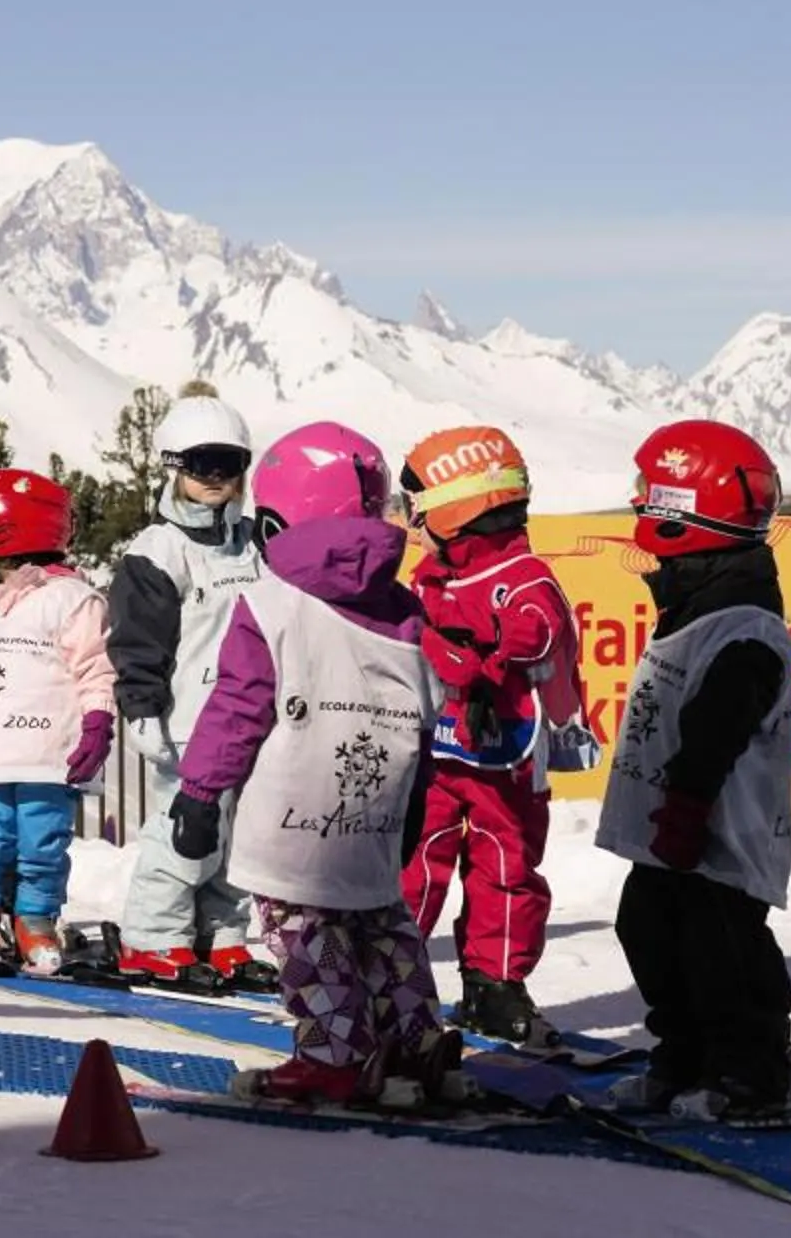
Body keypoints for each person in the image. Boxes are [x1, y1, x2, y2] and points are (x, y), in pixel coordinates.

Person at [172, 423, 461, 1106]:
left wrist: (200, 792)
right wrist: (417, 796)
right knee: (382, 923)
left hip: (293, 816)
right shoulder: (405, 611)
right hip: (377, 810)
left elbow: (239, 708)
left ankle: (333, 1053)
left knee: (308, 933)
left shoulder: (270, 605)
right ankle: (417, 1040)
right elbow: (425, 708)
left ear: (277, 520)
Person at [601, 419, 791, 1122]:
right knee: (648, 929)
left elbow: (719, 726)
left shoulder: (743, 626)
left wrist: (685, 808)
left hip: (715, 832)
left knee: (724, 952)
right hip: (670, 832)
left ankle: (752, 1072)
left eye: (647, 494)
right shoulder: (697, 602)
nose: (635, 503)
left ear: (682, 510)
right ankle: (682, 1057)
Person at [396, 423, 581, 1048]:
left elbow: (539, 629)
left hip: (506, 754)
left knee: (506, 863)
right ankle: (391, 971)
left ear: (456, 509)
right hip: (442, 746)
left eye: (417, 507)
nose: (410, 523)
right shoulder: (432, 573)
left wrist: (482, 660)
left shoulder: (522, 576)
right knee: (418, 855)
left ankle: (494, 984)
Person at [0, 468, 117, 976]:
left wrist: (98, 722)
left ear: (4, 541)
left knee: (43, 844)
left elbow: (95, 669)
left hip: (46, 759)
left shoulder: (72, 600)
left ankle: (35, 918)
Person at [107, 390, 273, 984]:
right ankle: (153, 934)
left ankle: (223, 933)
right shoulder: (158, 552)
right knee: (186, 833)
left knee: (243, 838)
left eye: (230, 465)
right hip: (189, 724)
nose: (217, 479)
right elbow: (137, 641)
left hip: (253, 720)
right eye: (203, 464)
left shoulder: (255, 545)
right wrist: (141, 709)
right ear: (173, 464)